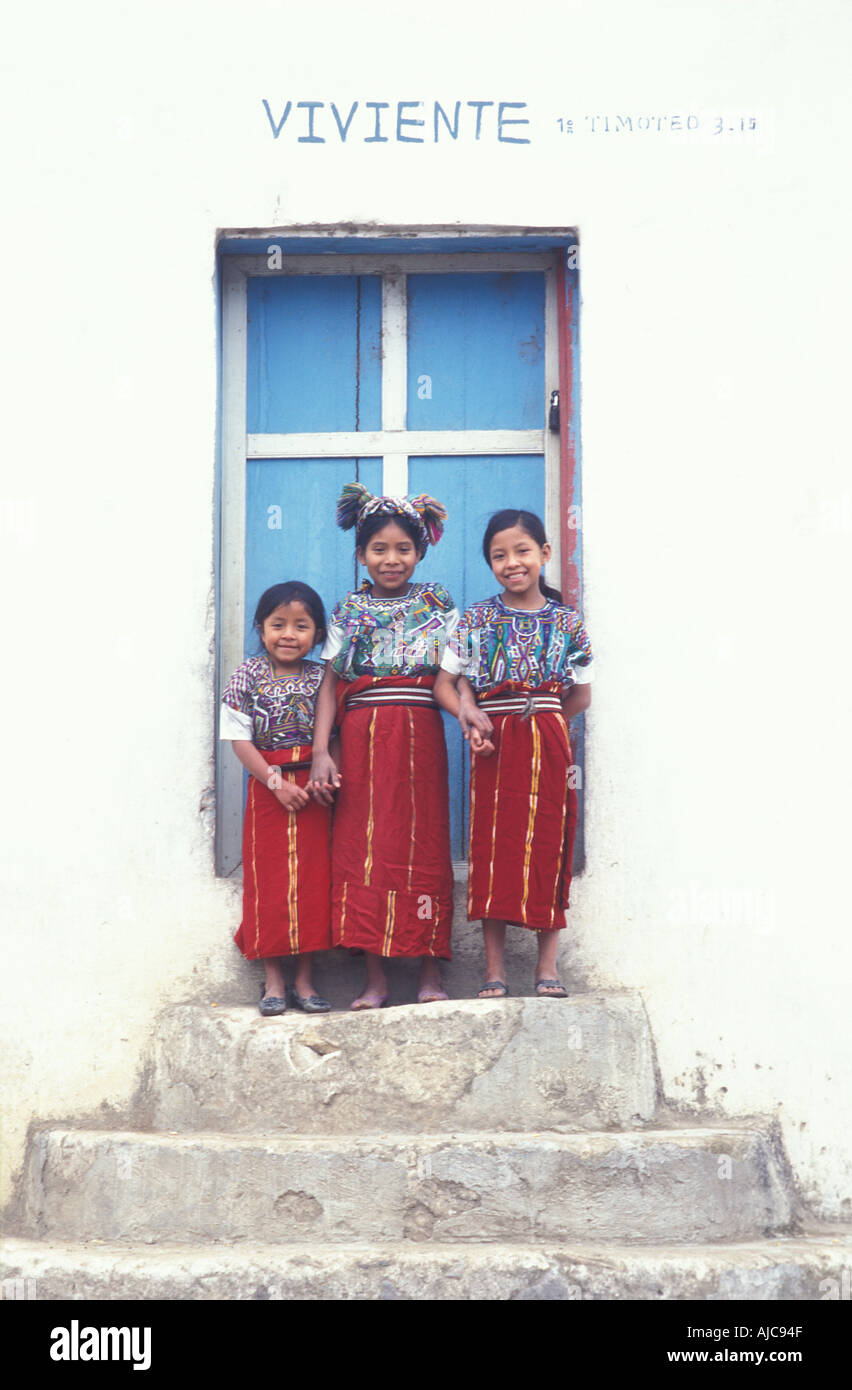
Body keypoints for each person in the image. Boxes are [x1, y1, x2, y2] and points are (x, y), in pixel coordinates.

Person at [309, 482, 461, 1009]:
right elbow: (330, 682)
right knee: (365, 850)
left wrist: (470, 715)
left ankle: (429, 972)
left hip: (419, 735)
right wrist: (322, 750)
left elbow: (453, 676)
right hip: (359, 738)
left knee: (423, 846)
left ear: (419, 552)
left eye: (403, 548)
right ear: (360, 554)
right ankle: (374, 977)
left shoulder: (438, 606)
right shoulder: (348, 610)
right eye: (379, 549)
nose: (391, 559)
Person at [434, 509, 594, 1000]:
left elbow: (581, 696)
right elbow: (444, 684)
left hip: (547, 741)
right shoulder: (476, 619)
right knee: (493, 849)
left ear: (544, 554)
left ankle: (547, 968)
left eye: (522, 551)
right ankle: (494, 972)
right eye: (499, 555)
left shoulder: (568, 622)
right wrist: (469, 711)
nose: (512, 562)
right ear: (490, 563)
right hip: (492, 744)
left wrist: (545, 722)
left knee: (550, 842)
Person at [219, 581, 333, 1015]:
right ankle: (273, 980)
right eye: (278, 624)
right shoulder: (245, 676)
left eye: (301, 626)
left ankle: (305, 980)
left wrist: (326, 779)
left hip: (313, 792)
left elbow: (334, 735)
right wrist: (275, 783)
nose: (289, 634)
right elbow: (238, 740)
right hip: (269, 788)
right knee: (269, 882)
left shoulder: (323, 679)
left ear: (317, 634)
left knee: (311, 882)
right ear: (261, 628)